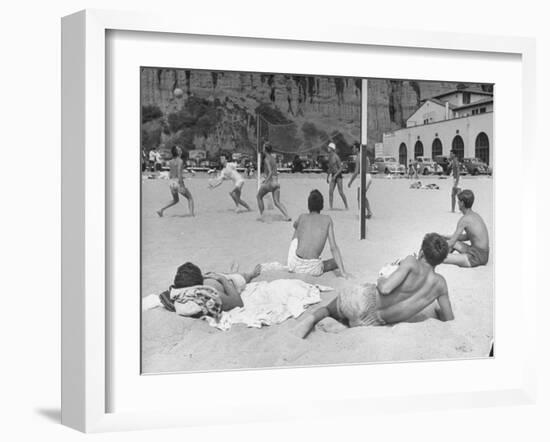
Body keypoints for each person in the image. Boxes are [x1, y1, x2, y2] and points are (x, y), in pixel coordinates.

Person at [293, 233, 454, 338]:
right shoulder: (441, 284)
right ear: (440, 260)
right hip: (374, 322)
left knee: (328, 309)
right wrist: (438, 312)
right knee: (347, 319)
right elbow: (449, 319)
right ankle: (345, 324)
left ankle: (309, 322)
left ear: (421, 252)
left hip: (364, 300)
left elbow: (385, 289)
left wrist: (382, 278)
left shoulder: (412, 262)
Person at [287, 189, 350, 278]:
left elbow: (295, 226)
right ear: (322, 206)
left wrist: (300, 227)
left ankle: (297, 258)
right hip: (313, 268)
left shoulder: (302, 217)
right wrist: (343, 272)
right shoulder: (327, 219)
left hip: (294, 265)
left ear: (309, 205)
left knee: (297, 229)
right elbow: (333, 247)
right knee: (334, 262)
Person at [159, 262, 262, 312]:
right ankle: (245, 274)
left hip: (220, 279)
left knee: (235, 277)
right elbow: (238, 303)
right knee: (237, 277)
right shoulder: (210, 293)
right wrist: (222, 279)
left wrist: (220, 278)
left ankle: (245, 274)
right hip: (229, 283)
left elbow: (238, 303)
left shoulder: (183, 287)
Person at [442, 189, 489, 267]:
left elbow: (451, 243)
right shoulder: (475, 215)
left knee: (438, 258)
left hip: (476, 257)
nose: (457, 203)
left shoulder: (464, 219)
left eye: (458, 201)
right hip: (483, 254)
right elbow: (467, 237)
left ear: (462, 203)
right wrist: (445, 236)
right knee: (451, 243)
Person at [156, 145, 195, 217]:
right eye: (179, 150)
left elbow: (171, 174)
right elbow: (179, 173)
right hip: (178, 182)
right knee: (190, 198)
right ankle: (192, 215)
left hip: (171, 182)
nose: (181, 150)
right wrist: (182, 185)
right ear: (177, 152)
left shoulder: (170, 161)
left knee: (175, 200)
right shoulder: (180, 161)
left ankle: (161, 210)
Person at [256, 142, 291, 221]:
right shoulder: (273, 158)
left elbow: (270, 171)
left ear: (265, 150)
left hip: (270, 182)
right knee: (277, 202)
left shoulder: (266, 159)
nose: (262, 149)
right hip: (276, 183)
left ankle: (263, 216)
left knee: (259, 196)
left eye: (263, 147)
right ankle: (287, 216)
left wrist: (265, 181)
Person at [347, 143, 373, 218]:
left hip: (364, 177)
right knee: (363, 196)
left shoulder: (358, 157)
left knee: (359, 197)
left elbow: (356, 172)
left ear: (357, 149)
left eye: (354, 148)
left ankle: (361, 213)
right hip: (368, 176)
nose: (353, 149)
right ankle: (369, 212)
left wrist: (350, 182)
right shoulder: (365, 156)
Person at [326, 142, 349, 210]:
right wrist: (327, 176)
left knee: (340, 192)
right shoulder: (329, 156)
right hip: (333, 175)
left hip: (338, 175)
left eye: (329, 147)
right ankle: (331, 207)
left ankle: (346, 206)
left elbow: (341, 168)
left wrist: (335, 176)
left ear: (332, 149)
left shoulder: (336, 157)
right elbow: (330, 167)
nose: (327, 148)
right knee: (330, 191)